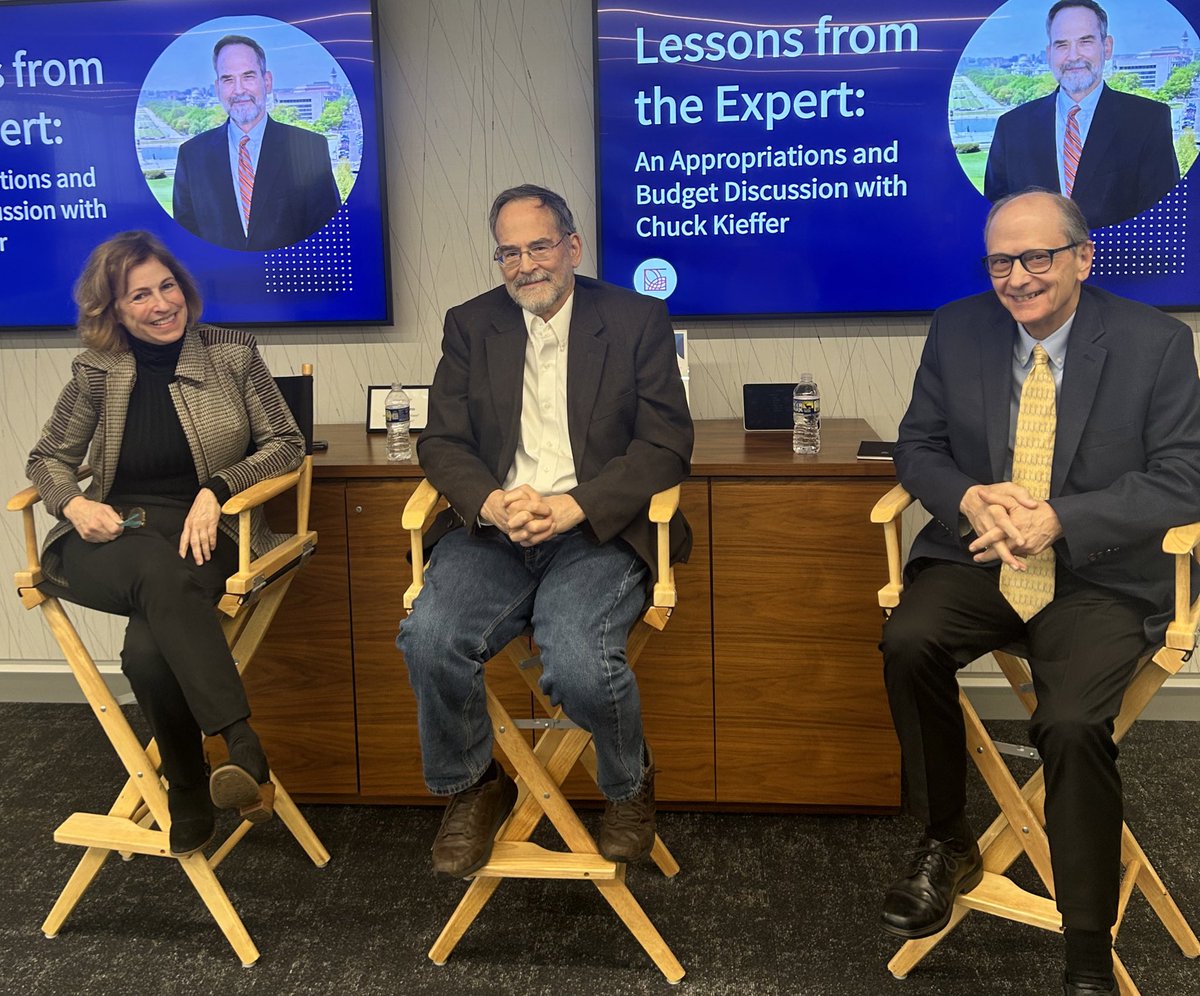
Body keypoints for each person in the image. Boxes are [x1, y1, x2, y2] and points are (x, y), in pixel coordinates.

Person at [878, 189, 1200, 996]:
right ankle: (947, 838)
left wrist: (1061, 518)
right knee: (907, 640)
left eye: (1036, 258)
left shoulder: (1155, 342)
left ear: (1082, 258)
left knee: (1071, 723)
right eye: (1000, 262)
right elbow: (917, 446)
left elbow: (1184, 478)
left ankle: (1087, 946)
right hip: (982, 560)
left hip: (1102, 574)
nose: (1017, 278)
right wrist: (967, 498)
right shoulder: (957, 329)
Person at [397, 184, 693, 877]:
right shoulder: (471, 324)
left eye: (539, 246)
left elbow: (665, 446)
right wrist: (492, 503)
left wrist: (573, 506)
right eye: (509, 252)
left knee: (581, 659)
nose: (525, 264)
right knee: (430, 638)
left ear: (572, 247)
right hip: (495, 531)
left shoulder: (634, 319)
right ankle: (474, 785)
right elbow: (441, 441)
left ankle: (628, 784)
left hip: (597, 531)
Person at [27, 231, 305, 856]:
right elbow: (47, 459)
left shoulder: (232, 354)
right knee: (154, 563)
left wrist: (217, 489)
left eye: (167, 286)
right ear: (113, 311)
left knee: (149, 655)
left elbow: (285, 444)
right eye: (139, 296)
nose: (161, 304)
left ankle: (186, 786)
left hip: (204, 535)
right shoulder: (96, 371)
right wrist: (74, 503)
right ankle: (243, 745)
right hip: (114, 537)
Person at [983, 1, 1179, 230]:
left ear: (1107, 47)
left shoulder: (1148, 121)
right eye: (1062, 45)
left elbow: (1162, 218)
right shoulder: (1011, 127)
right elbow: (997, 217)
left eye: (1085, 42)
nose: (1073, 56)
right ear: (1049, 53)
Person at [172, 34, 341, 252]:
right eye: (228, 79)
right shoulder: (191, 155)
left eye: (248, 76)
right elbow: (186, 244)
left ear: (267, 82)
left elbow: (327, 239)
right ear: (217, 88)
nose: (239, 90)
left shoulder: (310, 148)